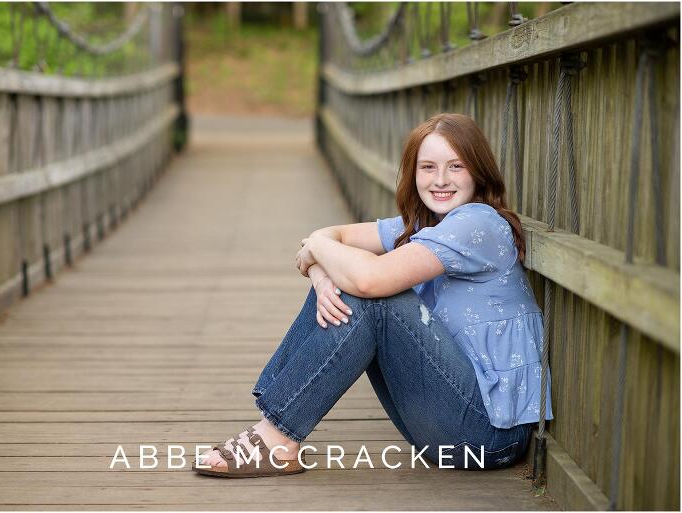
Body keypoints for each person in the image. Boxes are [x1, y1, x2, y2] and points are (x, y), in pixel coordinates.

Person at [193, 113, 554, 478]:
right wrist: (320, 275)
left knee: (371, 295)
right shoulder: (427, 224)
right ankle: (276, 427)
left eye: (456, 166)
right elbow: (328, 236)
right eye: (428, 167)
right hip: (447, 421)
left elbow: (363, 278)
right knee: (346, 279)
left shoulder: (478, 223)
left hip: (489, 435)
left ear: (478, 170)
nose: (441, 180)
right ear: (413, 173)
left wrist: (318, 251)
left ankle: (276, 436)